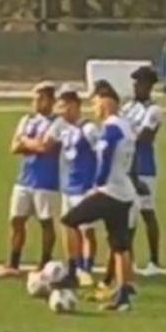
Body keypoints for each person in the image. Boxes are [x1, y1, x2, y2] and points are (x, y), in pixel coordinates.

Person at [60, 81, 138, 313]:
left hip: (110, 191)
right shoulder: (127, 127)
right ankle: (123, 295)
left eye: (95, 102)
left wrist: (98, 184)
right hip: (124, 191)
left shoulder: (111, 128)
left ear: (105, 102)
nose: (93, 108)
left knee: (68, 220)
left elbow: (105, 157)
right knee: (120, 245)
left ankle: (73, 272)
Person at [0, 81, 62, 279]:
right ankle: (13, 263)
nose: (35, 102)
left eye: (40, 98)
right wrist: (32, 144)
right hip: (24, 179)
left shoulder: (58, 123)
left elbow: (46, 148)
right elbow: (14, 147)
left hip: (46, 181)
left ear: (50, 100)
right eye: (34, 98)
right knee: (16, 220)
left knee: (46, 222)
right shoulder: (27, 119)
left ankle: (44, 263)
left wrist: (26, 142)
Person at [55, 85, 99, 288]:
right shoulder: (64, 129)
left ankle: (87, 269)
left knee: (86, 231)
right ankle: (73, 267)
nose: (61, 110)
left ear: (75, 106)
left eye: (64, 106)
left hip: (85, 187)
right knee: (68, 227)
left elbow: (101, 155)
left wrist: (97, 183)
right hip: (68, 187)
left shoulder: (89, 129)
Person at [122, 65, 163, 277]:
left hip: (145, 167)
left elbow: (144, 137)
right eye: (135, 82)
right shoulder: (128, 107)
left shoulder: (154, 111)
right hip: (125, 167)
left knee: (147, 211)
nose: (136, 86)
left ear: (149, 85)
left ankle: (155, 260)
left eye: (140, 83)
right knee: (127, 215)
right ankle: (129, 259)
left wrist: (127, 135)